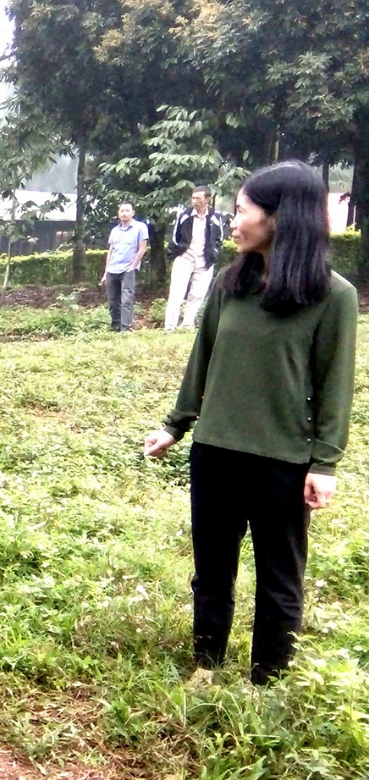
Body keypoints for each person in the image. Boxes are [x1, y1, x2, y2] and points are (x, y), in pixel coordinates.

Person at [143, 161, 357, 686]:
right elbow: (204, 357)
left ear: (280, 219)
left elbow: (335, 387)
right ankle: (207, 664)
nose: (231, 221)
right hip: (216, 451)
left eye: (241, 211)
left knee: (280, 579)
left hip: (283, 461)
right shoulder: (228, 283)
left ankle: (269, 679)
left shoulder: (333, 297)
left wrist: (324, 463)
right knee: (212, 570)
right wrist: (176, 425)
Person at [165, 185, 225, 330]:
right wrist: (175, 252)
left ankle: (187, 325)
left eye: (198, 198)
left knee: (197, 295)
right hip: (185, 258)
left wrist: (214, 253)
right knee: (176, 294)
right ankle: (169, 327)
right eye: (193, 198)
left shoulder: (216, 217)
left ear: (207, 200)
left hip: (204, 261)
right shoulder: (184, 215)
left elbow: (220, 238)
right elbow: (175, 237)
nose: (195, 201)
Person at [103, 201, 149, 332]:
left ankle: (125, 328)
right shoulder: (115, 230)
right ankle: (115, 326)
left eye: (127, 210)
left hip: (128, 269)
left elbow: (142, 248)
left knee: (126, 300)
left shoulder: (140, 227)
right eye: (122, 211)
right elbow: (110, 251)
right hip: (112, 269)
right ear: (118, 213)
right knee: (113, 301)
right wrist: (105, 271)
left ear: (133, 213)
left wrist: (133, 266)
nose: (124, 213)